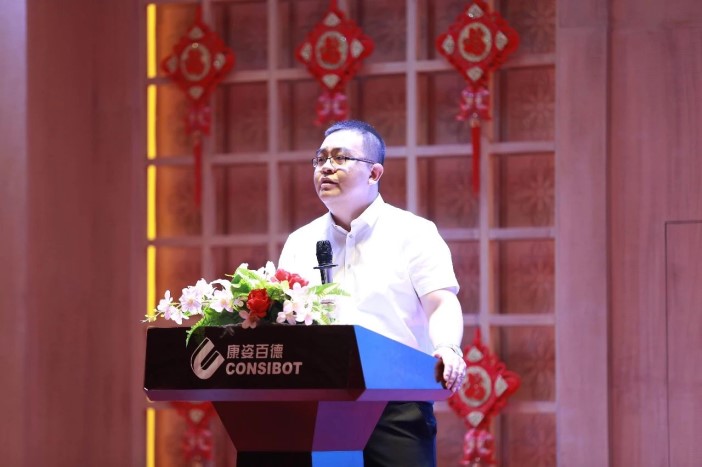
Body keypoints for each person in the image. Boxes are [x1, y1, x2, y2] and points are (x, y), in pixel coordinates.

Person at [278, 120, 466, 467]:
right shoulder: (300, 242)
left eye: (340, 158)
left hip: (396, 403)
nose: (326, 167)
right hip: (320, 404)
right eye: (320, 159)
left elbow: (441, 301)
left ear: (374, 173)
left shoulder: (414, 232)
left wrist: (448, 347)